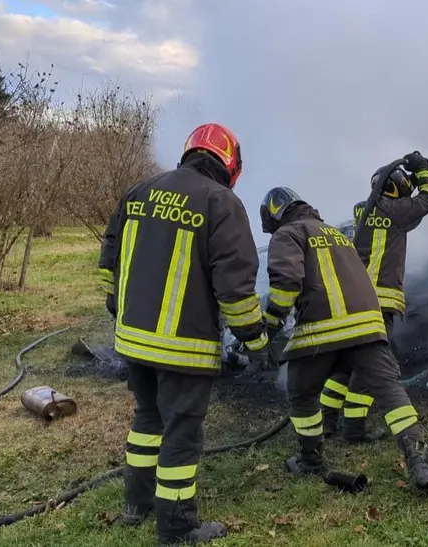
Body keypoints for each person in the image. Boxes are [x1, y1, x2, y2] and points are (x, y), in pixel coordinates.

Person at [98, 123, 270, 545]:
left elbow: (110, 262)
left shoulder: (140, 190)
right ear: (230, 164)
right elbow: (235, 288)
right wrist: (258, 342)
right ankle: (176, 528)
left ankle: (136, 506)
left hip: (133, 341)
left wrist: (120, 310)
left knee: (147, 421)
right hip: (184, 347)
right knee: (181, 434)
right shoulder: (221, 203)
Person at [257, 186, 428, 491]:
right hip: (367, 327)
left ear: (275, 213)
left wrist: (271, 324)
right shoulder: (337, 233)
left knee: (302, 395)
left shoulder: (287, 234)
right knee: (390, 391)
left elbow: (286, 284)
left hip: (321, 331)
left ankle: (311, 460)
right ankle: (420, 463)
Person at [319, 152, 428, 443]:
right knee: (369, 368)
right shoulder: (395, 211)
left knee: (345, 364)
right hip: (379, 303)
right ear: (393, 186)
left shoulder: (365, 209)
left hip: (354, 300)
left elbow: (411, 219)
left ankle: (326, 423)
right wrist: (423, 171)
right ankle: (354, 430)